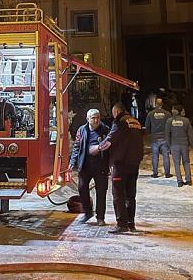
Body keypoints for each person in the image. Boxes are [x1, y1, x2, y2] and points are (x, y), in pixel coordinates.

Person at [99, 102, 144, 234]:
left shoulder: (119, 123)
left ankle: (121, 224)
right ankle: (131, 223)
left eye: (113, 114)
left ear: (117, 112)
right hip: (134, 163)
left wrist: (98, 148)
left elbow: (109, 141)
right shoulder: (136, 122)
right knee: (131, 194)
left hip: (121, 163)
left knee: (118, 194)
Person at [68, 109, 111, 225]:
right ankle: (87, 212)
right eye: (93, 118)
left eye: (97, 117)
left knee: (101, 192)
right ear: (88, 119)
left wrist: (110, 164)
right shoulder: (82, 130)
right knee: (82, 189)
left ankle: (100, 217)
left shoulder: (105, 130)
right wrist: (72, 161)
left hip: (101, 167)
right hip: (85, 166)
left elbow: (111, 147)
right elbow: (77, 146)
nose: (96, 120)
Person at [166, 104, 193, 187]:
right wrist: (192, 144)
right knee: (186, 162)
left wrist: (168, 146)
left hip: (174, 145)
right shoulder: (186, 121)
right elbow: (190, 134)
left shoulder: (169, 121)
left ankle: (179, 181)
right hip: (184, 144)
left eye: (173, 109)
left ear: (176, 110)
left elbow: (167, 134)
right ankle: (189, 180)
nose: (171, 111)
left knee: (176, 163)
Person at [145, 97, 172, 178]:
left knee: (155, 156)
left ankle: (155, 173)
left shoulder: (151, 114)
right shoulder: (167, 114)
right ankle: (167, 173)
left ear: (155, 104)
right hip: (165, 138)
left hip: (154, 138)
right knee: (166, 156)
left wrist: (149, 134)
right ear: (162, 104)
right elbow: (170, 126)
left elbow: (147, 126)